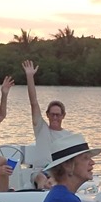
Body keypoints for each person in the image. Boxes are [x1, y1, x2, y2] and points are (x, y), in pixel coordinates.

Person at [22, 60, 66, 189]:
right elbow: (34, 102)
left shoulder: (68, 136)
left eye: (58, 115)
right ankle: (42, 193)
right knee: (42, 178)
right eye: (52, 114)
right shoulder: (41, 129)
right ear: (47, 115)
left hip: (58, 173)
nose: (55, 117)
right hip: (40, 172)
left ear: (63, 116)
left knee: (55, 180)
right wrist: (30, 77)